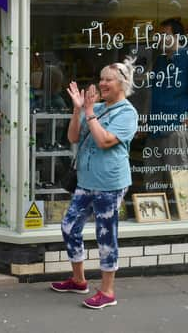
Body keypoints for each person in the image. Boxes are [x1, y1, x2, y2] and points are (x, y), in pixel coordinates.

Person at [50, 58, 138, 309]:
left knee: (105, 234)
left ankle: (108, 292)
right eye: (101, 79)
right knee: (69, 227)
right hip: (86, 181)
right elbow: (73, 136)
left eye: (108, 79)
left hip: (110, 183)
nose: (102, 83)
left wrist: (88, 112)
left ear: (122, 83)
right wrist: (78, 109)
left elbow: (105, 141)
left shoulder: (128, 113)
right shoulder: (96, 109)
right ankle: (79, 280)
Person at [144, 18, 188, 191]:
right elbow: (151, 92)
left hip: (175, 127)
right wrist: (145, 120)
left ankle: (183, 217)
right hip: (154, 128)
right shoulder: (160, 61)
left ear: (179, 37)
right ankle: (153, 216)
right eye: (159, 35)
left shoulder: (186, 58)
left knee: (179, 180)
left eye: (165, 35)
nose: (161, 39)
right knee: (152, 177)